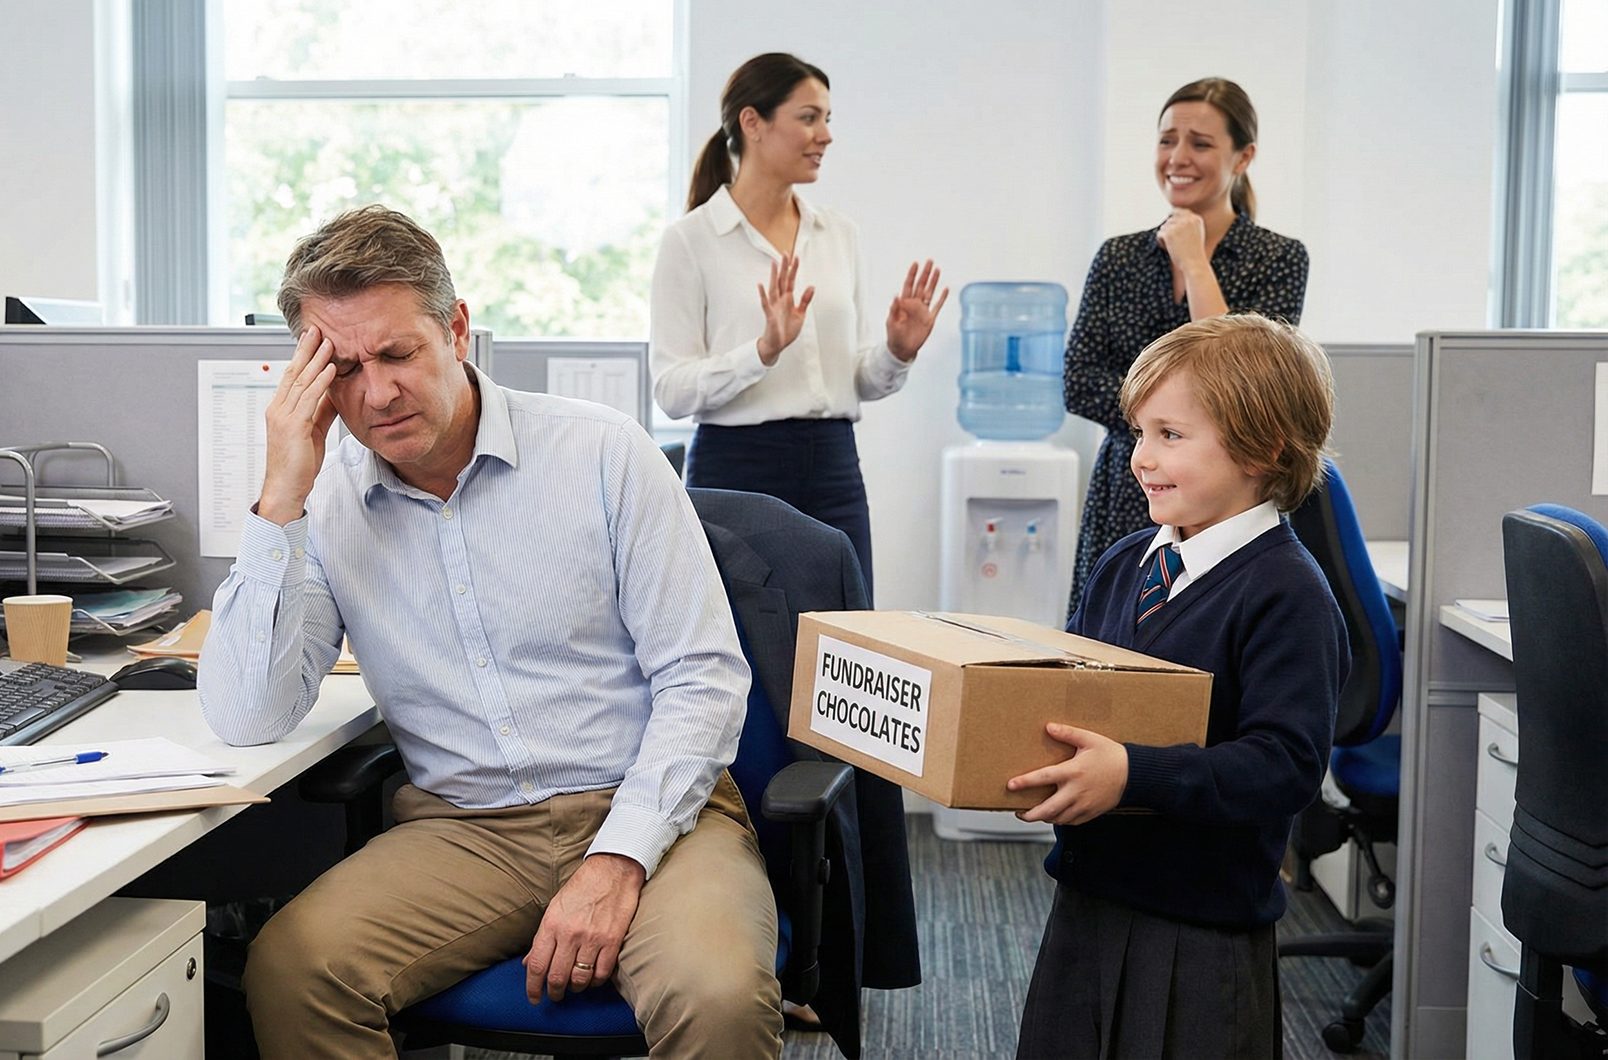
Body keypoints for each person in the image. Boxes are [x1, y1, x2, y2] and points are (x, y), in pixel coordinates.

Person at [198, 205, 781, 1059]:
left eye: (398, 354)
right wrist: (281, 493)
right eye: (344, 369)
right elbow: (247, 716)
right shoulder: (324, 501)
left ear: (457, 329)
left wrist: (618, 859)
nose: (376, 393)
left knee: (716, 996)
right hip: (465, 830)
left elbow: (703, 676)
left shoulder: (602, 454)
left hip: (653, 811)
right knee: (294, 968)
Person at [1010, 314, 1347, 1058]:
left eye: (1170, 435)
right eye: (1140, 433)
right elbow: (1070, 692)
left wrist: (1134, 774)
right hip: (1089, 901)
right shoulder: (1125, 562)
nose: (1141, 457)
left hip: (1198, 932)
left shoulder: (1287, 593)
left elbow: (1284, 765)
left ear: (1262, 448)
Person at [649, 51, 947, 603]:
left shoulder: (839, 234)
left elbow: (856, 379)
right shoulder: (690, 241)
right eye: (809, 118)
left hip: (834, 467)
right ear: (753, 123)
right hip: (736, 470)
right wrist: (762, 351)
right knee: (740, 640)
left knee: (848, 638)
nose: (825, 135)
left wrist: (897, 351)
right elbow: (671, 392)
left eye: (827, 119)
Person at [1065, 77, 1308, 619]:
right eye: (1167, 140)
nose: (1178, 157)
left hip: (1228, 495)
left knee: (1207, 633)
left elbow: (1250, 384)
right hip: (1129, 486)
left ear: (1243, 156)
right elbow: (1079, 380)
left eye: (1199, 143)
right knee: (1104, 637)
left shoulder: (1278, 257)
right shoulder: (1119, 257)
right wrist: (1165, 428)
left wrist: (1195, 262)